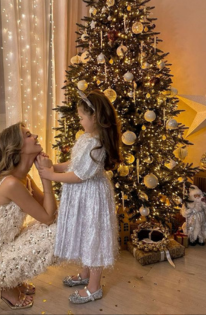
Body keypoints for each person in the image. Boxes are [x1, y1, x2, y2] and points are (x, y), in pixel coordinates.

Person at [38, 90, 122, 304]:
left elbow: (80, 175)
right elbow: (75, 164)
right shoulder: (86, 139)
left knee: (94, 236)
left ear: (94, 117)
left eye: (82, 117)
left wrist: (51, 175)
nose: (79, 120)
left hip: (92, 196)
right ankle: (85, 275)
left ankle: (94, 287)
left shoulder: (98, 144)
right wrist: (54, 167)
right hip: (82, 196)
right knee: (86, 233)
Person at [0, 122, 58, 310]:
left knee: (58, 224)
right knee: (55, 231)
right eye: (27, 135)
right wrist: (46, 177)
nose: (35, 136)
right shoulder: (10, 184)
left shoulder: (22, 179)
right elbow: (48, 218)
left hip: (5, 246)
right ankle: (2, 285)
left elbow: (50, 212)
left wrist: (44, 173)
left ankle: (11, 277)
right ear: (15, 148)